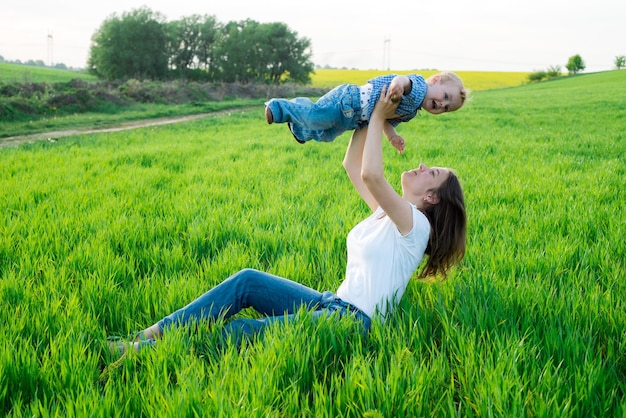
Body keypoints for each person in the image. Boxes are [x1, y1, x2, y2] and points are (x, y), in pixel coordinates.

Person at [108, 86, 466, 355]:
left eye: (431, 172)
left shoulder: (416, 227)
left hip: (353, 323)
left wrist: (378, 119)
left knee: (239, 333)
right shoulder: (388, 215)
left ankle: (145, 355)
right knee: (246, 281)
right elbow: (353, 167)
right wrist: (369, 112)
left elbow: (373, 175)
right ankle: (148, 336)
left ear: (432, 197)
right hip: (331, 305)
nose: (421, 166)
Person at [264, 72, 466, 153]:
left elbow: (385, 120)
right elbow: (405, 80)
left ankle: (298, 130)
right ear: (436, 79)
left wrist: (392, 136)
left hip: (353, 119)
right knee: (316, 117)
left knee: (325, 134)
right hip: (349, 100)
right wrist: (397, 84)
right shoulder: (419, 87)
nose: (441, 105)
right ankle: (278, 108)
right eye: (445, 97)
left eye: (446, 108)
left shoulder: (411, 112)